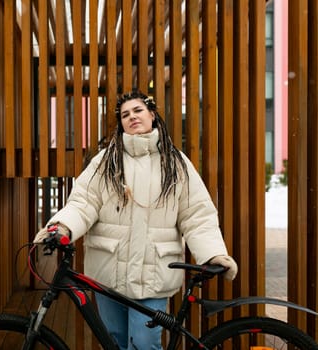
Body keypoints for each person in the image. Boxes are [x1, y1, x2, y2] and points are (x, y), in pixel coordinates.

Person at [34, 89, 237, 350]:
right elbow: (83, 204)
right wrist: (61, 227)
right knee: (114, 341)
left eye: (138, 110)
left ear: (152, 114)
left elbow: (197, 215)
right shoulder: (106, 162)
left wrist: (213, 254)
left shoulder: (175, 163)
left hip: (154, 277)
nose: (132, 117)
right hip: (109, 274)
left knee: (144, 344)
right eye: (125, 114)